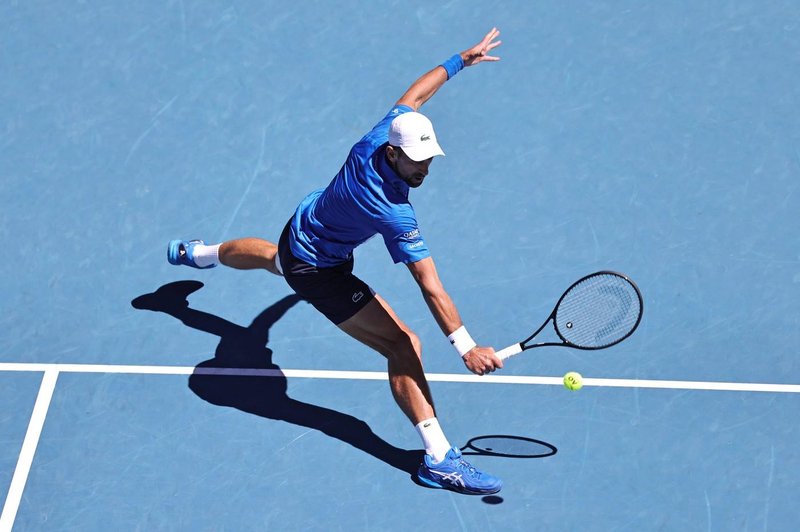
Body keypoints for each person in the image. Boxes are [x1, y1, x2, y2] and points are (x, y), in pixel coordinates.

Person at [167, 28, 504, 495]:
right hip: (319, 271)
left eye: (428, 159)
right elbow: (429, 284)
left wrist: (459, 61)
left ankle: (199, 253)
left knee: (273, 258)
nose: (423, 168)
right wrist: (466, 346)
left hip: (301, 228)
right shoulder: (391, 210)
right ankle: (438, 459)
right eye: (415, 161)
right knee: (404, 345)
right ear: (393, 152)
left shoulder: (379, 135)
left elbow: (415, 96)